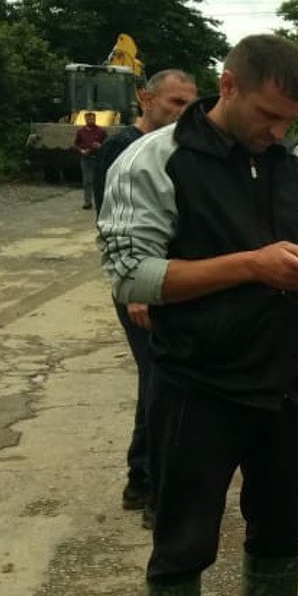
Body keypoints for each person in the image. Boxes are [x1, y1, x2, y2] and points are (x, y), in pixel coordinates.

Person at [97, 34, 298, 596]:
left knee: (281, 522)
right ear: (229, 86)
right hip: (197, 385)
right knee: (185, 534)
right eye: (269, 115)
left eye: (290, 121)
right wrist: (250, 265)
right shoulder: (154, 161)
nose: (279, 132)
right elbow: (133, 277)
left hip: (286, 383)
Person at [92, 69, 200, 526]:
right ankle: (153, 486)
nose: (183, 113)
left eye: (189, 105)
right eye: (174, 103)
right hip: (143, 286)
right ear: (145, 98)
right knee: (160, 383)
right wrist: (139, 296)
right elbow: (113, 224)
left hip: (171, 280)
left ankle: (141, 478)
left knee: (161, 379)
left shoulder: (178, 150)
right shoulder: (124, 150)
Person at [74, 112, 106, 209]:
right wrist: (81, 150)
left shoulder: (101, 131)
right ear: (85, 120)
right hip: (85, 159)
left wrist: (100, 147)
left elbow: (107, 144)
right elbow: (76, 144)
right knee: (87, 182)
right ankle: (88, 202)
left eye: (92, 119)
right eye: (88, 119)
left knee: (98, 181)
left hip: (97, 159)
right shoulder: (81, 132)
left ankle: (100, 202)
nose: (90, 121)